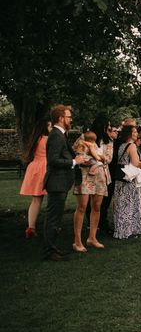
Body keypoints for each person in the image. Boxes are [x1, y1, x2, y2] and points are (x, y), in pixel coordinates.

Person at [42, 105, 89, 261]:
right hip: (56, 182)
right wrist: (75, 161)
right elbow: (53, 160)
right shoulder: (56, 135)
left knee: (55, 217)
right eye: (69, 117)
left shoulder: (60, 134)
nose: (71, 119)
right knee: (53, 218)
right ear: (61, 118)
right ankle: (49, 251)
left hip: (60, 183)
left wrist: (79, 161)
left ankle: (53, 247)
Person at [71, 131, 109, 252]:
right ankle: (77, 241)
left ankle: (92, 238)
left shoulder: (102, 143)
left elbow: (108, 158)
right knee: (82, 206)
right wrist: (98, 159)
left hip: (100, 176)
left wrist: (100, 159)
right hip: (84, 175)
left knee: (97, 206)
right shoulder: (81, 142)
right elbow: (81, 159)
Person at [19, 119, 51, 238]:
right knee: (51, 199)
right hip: (44, 168)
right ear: (45, 127)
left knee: (36, 200)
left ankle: (31, 227)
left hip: (34, 168)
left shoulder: (36, 138)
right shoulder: (48, 139)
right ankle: (51, 225)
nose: (52, 128)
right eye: (50, 126)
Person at [112, 125, 141, 239]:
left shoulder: (122, 146)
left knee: (121, 204)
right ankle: (129, 230)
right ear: (129, 134)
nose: (137, 134)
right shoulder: (132, 146)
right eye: (135, 132)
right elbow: (136, 163)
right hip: (129, 179)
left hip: (121, 177)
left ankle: (120, 230)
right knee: (130, 203)